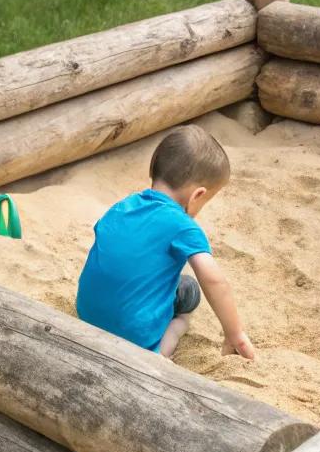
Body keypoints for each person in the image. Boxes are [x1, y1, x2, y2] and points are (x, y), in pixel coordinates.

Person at [76, 123, 256, 362]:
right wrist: (235, 334)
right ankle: (165, 344)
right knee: (189, 292)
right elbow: (213, 278)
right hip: (135, 340)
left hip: (86, 316)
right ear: (197, 196)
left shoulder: (121, 206)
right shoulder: (183, 225)